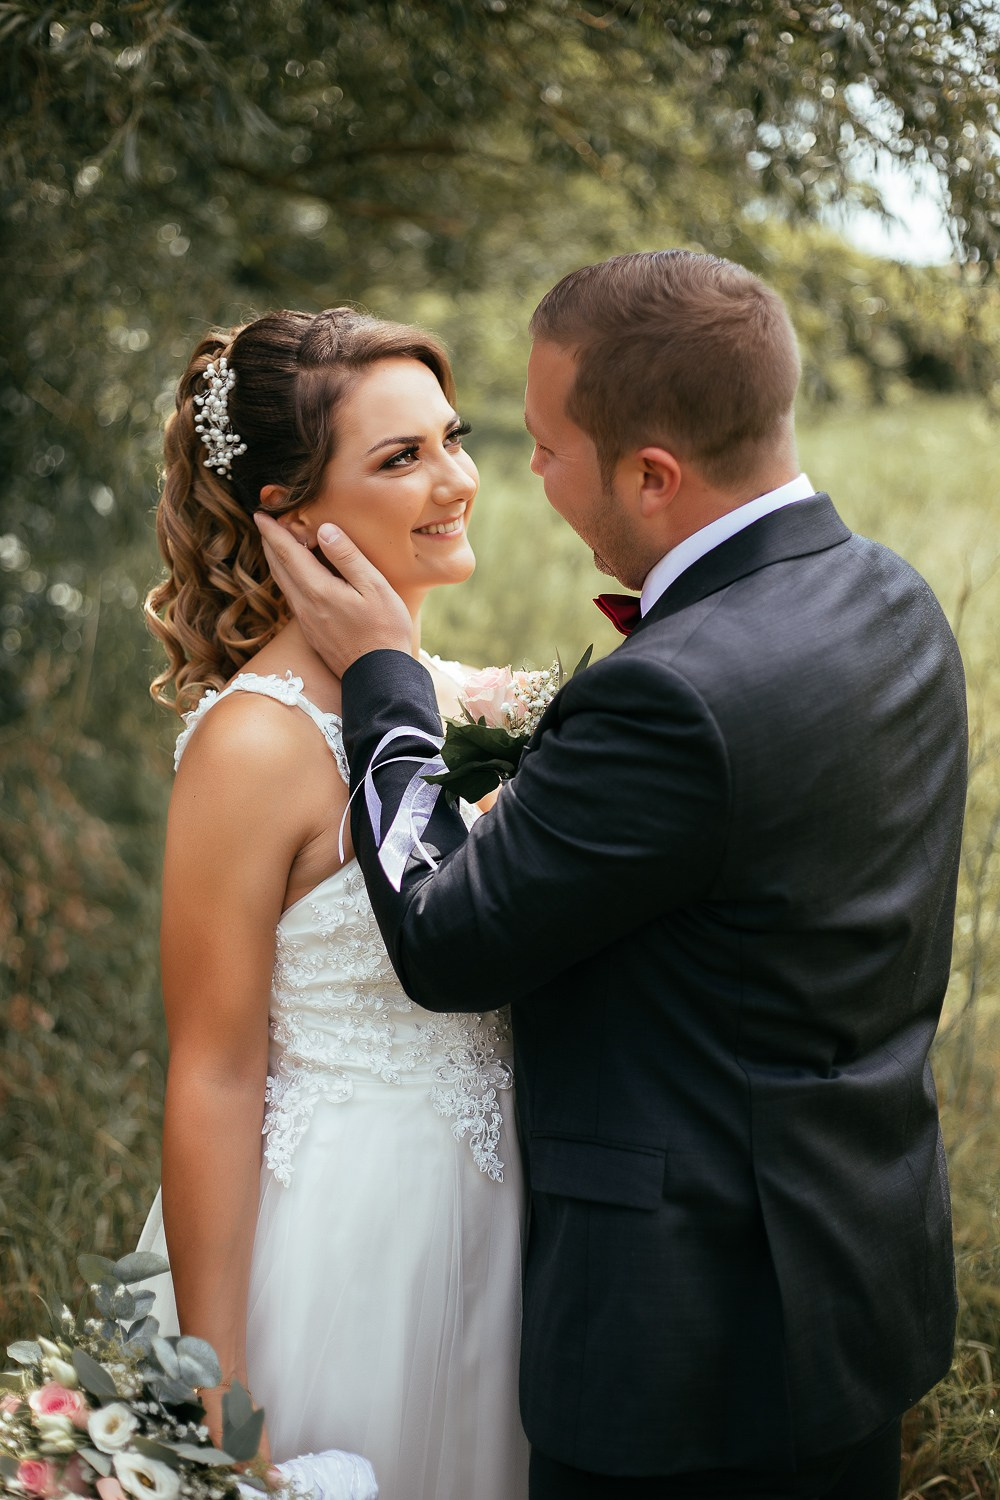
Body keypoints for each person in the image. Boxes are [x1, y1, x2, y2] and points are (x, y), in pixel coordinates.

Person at [257, 250, 968, 1500]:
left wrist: (385, 678)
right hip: (854, 1290)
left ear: (652, 474)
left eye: (540, 445)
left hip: (681, 1354)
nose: (508, 476)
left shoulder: (674, 694)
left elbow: (443, 937)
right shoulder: (890, 599)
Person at [137, 306, 530, 1500]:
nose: (454, 479)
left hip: (509, 1220)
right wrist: (214, 1390)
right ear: (287, 512)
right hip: (345, 1246)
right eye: (400, 458)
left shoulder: (470, 704)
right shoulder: (253, 746)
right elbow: (211, 1072)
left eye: (451, 438)